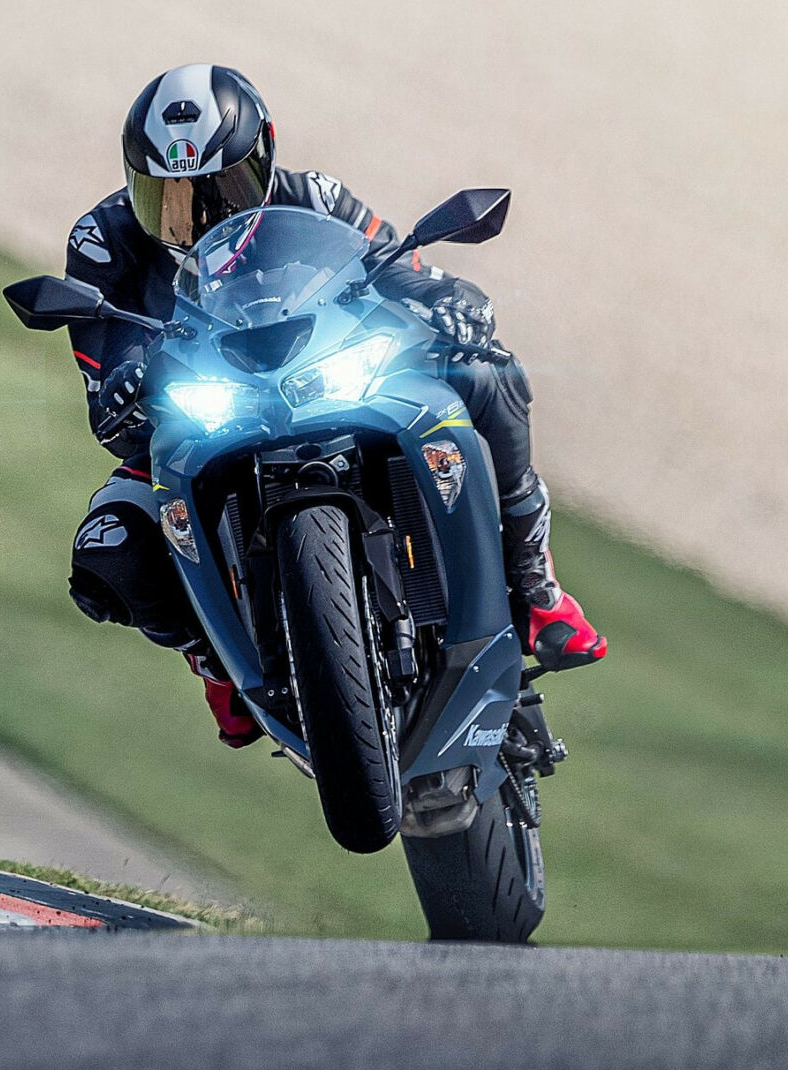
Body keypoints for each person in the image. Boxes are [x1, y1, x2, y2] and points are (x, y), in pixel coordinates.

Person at [63, 64, 604, 749]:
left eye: (220, 189)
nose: (197, 216)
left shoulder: (313, 197)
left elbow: (397, 267)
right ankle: (219, 666)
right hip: (199, 421)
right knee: (109, 546)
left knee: (488, 375)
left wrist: (453, 301)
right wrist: (124, 382)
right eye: (167, 198)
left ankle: (535, 585)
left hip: (328, 385)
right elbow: (106, 372)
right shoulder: (103, 242)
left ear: (264, 159)